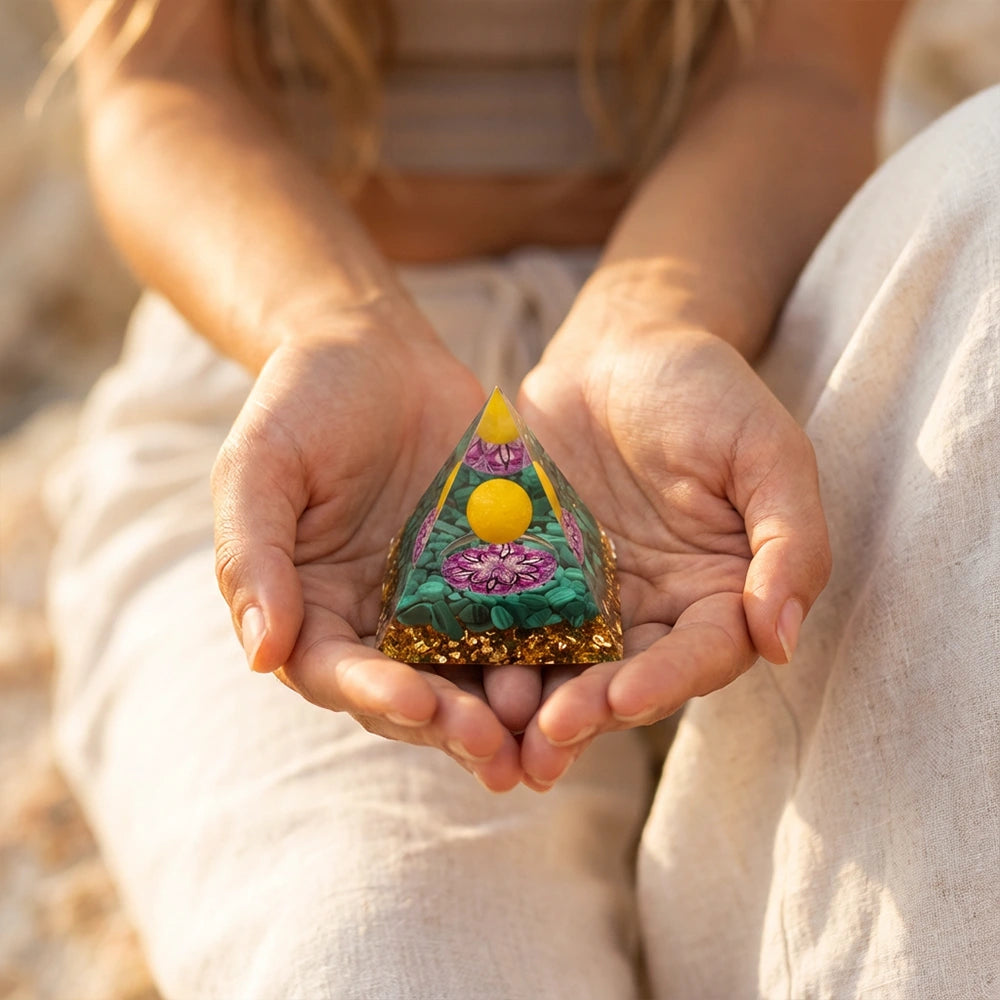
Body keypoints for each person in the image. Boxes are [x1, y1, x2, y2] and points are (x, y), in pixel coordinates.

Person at [45, 0, 999, 996]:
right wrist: (335, 325)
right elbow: (158, 81)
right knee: (379, 954)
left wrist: (651, 317)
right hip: (303, 377)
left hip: (740, 323)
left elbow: (808, 73)